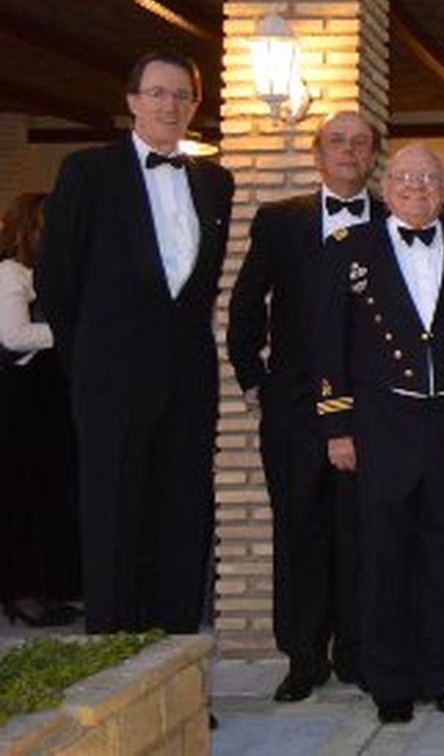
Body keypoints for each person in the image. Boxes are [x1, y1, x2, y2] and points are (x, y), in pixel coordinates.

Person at [36, 50, 235, 635]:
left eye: (182, 95)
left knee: (181, 524)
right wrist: (91, 365)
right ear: (131, 102)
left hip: (188, 381)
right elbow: (56, 280)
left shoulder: (215, 182)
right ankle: (115, 670)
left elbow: (197, 289)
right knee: (114, 526)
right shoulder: (88, 172)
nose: (170, 105)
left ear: (196, 106)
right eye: (158, 93)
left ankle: (174, 668)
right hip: (111, 383)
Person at [315, 143, 444, 724]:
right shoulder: (351, 249)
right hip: (382, 425)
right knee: (385, 557)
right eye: (405, 178)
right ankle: (390, 682)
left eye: (428, 179)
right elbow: (329, 342)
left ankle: (440, 675)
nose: (417, 187)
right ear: (386, 186)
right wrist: (338, 426)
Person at [228, 110, 381, 701]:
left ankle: (359, 651)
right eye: (337, 142)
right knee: (299, 528)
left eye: (360, 144)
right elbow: (245, 306)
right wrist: (252, 382)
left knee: (361, 531)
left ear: (372, 157)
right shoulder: (279, 221)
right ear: (319, 155)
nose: (348, 152)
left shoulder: (395, 222)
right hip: (292, 408)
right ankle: (304, 655)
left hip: (370, 410)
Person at [0, 193, 81, 628]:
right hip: (19, 401)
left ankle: (49, 585)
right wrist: (73, 330)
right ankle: (22, 591)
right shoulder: (10, 273)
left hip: (47, 400)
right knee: (22, 495)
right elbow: (14, 336)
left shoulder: (44, 273)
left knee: (50, 492)